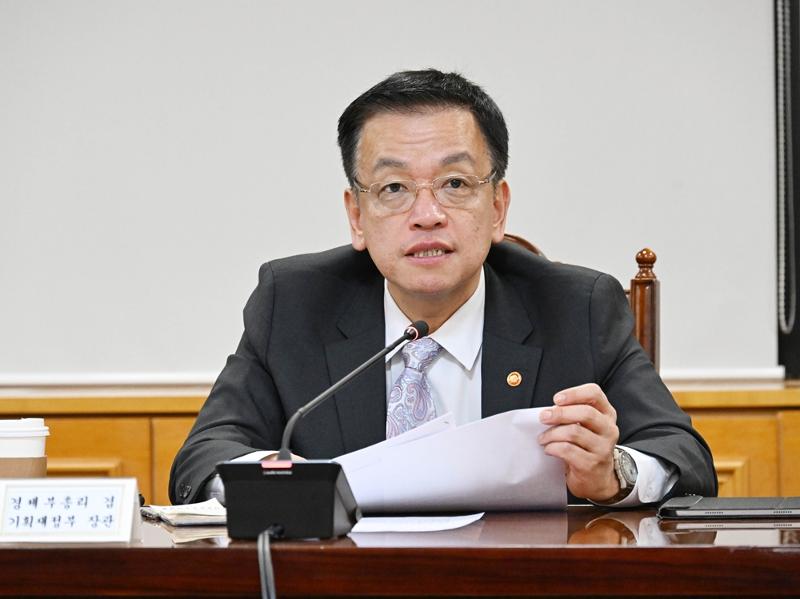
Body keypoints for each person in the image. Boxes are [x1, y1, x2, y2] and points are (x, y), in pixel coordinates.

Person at [169, 69, 717, 507]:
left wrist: (611, 472)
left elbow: (684, 457)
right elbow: (202, 461)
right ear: (356, 216)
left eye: (455, 184)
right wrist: (295, 492)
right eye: (393, 188)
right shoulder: (292, 303)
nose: (426, 214)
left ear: (498, 207)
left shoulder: (578, 307)